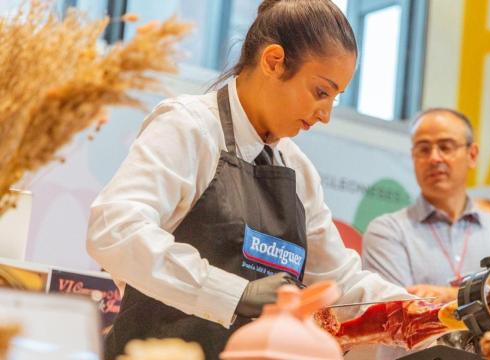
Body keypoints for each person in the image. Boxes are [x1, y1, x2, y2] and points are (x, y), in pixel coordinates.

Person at [86, 1, 412, 359]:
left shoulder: (298, 169)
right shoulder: (189, 127)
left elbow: (343, 284)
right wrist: (235, 294)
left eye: (335, 99)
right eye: (321, 92)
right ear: (273, 61)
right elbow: (115, 229)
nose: (325, 115)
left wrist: (436, 317)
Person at [362, 108, 490, 358]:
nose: (435, 158)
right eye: (423, 149)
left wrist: (449, 295)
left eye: (446, 147)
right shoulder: (388, 230)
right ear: (413, 157)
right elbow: (400, 313)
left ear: (472, 154)